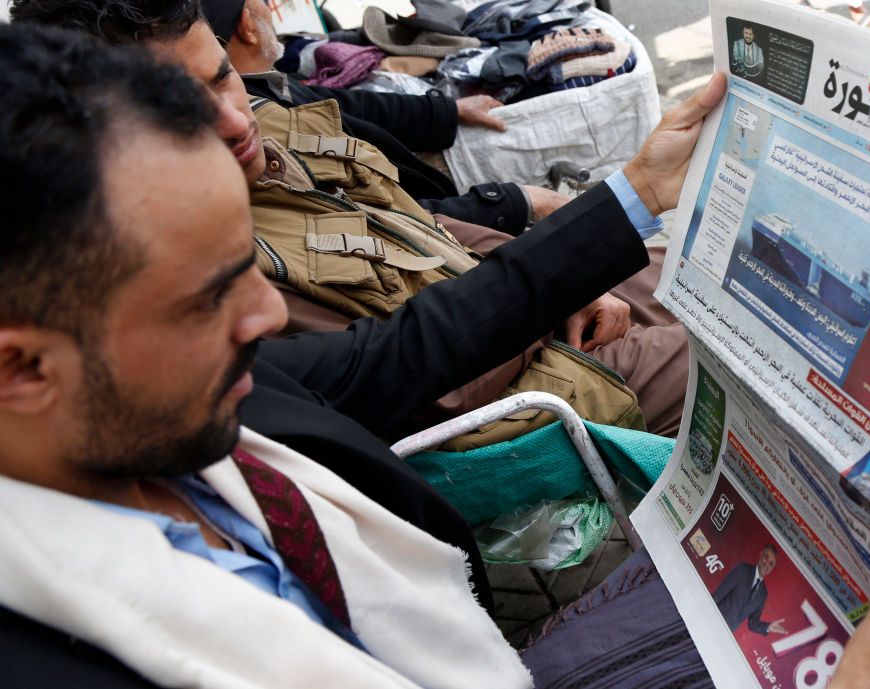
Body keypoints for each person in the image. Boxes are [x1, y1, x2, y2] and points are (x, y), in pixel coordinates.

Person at [0, 24, 870, 689]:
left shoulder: (163, 408)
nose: (269, 313)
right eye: (212, 294)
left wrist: (633, 191)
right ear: (19, 368)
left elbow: (403, 347)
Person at [12, 0, 694, 440]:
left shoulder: (266, 133)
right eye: (175, 107)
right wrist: (559, 277)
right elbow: (421, 374)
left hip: (525, 312)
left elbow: (419, 225)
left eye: (223, 78)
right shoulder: (198, 265)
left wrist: (566, 256)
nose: (230, 119)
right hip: (536, 395)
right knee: (747, 359)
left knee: (707, 277)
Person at [209, 0, 572, 235]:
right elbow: (374, 218)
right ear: (247, 25)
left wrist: (447, 110)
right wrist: (516, 201)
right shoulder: (260, 127)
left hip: (434, 196)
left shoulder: (271, 88)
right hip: (438, 224)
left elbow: (346, 105)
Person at [713, 544, 788, 634]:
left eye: (771, 563)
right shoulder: (743, 569)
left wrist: (768, 627)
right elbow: (719, 593)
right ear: (761, 554)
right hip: (712, 619)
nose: (767, 564)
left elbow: (752, 623)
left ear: (772, 568)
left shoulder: (763, 594)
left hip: (724, 634)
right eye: (766, 557)